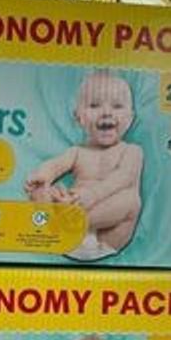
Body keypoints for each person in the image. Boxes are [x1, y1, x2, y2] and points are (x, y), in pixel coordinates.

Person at [24, 69, 143, 260]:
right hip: (68, 235)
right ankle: (59, 223)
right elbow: (55, 165)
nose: (106, 112)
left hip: (108, 236)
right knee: (40, 191)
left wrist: (91, 195)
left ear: (130, 118)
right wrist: (43, 175)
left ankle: (78, 221)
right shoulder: (77, 152)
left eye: (117, 106)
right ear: (78, 117)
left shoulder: (132, 151)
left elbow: (123, 177)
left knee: (131, 201)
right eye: (94, 105)